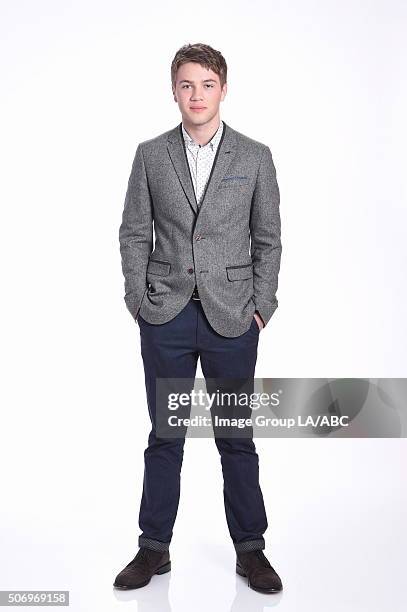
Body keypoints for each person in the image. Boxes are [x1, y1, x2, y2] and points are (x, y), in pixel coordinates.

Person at [114, 42, 283, 594]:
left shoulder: (255, 156)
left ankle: (251, 550)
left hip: (233, 316)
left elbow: (269, 239)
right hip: (166, 316)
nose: (197, 95)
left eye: (207, 85)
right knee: (166, 435)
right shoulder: (150, 154)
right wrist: (140, 301)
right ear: (174, 90)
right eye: (187, 85)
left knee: (236, 437)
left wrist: (262, 304)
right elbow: (135, 231)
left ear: (224, 89)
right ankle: (152, 549)